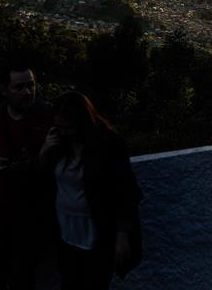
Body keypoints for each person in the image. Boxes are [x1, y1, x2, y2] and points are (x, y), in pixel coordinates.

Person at [39, 92, 142, 290]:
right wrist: (44, 151)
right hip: (65, 231)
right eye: (59, 127)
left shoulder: (109, 144)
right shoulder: (58, 144)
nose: (64, 132)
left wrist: (122, 235)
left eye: (68, 127)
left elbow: (125, 191)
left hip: (98, 232)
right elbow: (42, 181)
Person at [0, 67, 53, 290]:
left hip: (30, 219)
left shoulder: (47, 117)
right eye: (20, 87)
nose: (28, 91)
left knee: (23, 279)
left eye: (31, 85)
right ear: (4, 91)